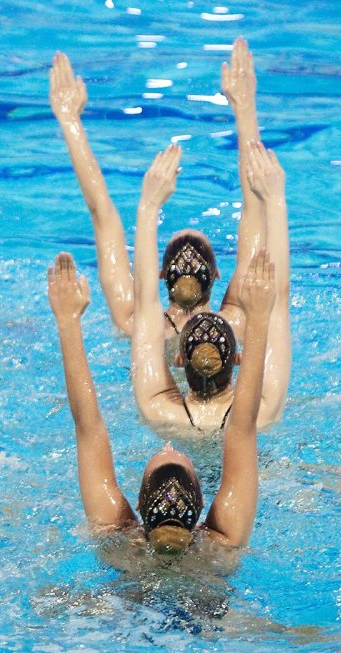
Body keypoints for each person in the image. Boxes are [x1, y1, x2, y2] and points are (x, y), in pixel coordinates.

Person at [47, 249, 275, 556]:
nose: (168, 446)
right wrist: (259, 318)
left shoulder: (120, 544)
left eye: (163, 452)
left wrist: (68, 320)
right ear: (202, 504)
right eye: (176, 454)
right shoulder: (222, 544)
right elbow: (242, 427)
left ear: (139, 505)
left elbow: (88, 427)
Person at [49, 38, 265, 345]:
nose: (189, 249)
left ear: (162, 272)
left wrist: (71, 120)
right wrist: (245, 110)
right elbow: (254, 206)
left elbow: (103, 214)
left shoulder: (136, 324)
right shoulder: (236, 323)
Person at [131, 143, 291, 436]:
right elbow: (279, 303)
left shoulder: (159, 411)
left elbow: (144, 305)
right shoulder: (260, 413)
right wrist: (275, 200)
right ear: (239, 360)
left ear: (179, 360)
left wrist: (149, 203)